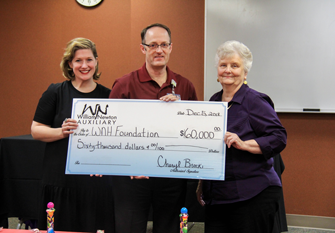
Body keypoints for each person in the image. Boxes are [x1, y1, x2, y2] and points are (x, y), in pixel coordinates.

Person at [109, 23, 198, 233]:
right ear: (143, 49)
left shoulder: (185, 85)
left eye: (164, 45)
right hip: (133, 178)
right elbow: (110, 132)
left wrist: (181, 112)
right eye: (153, 45)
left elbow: (194, 130)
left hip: (171, 177)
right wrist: (128, 164)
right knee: (129, 228)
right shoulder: (124, 85)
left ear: (171, 47)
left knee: (169, 229)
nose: (159, 50)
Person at [196, 40, 287, 233]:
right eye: (223, 65)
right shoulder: (213, 101)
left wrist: (244, 144)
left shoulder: (255, 101)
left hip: (252, 194)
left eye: (234, 66)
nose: (228, 70)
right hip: (218, 197)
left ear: (245, 73)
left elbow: (279, 137)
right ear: (217, 71)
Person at [31, 38, 115, 232]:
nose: (84, 65)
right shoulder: (55, 92)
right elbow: (36, 130)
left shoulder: (109, 96)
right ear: (70, 64)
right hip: (59, 183)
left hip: (96, 185)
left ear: (96, 61)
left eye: (89, 60)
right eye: (78, 61)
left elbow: (114, 139)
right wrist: (62, 131)